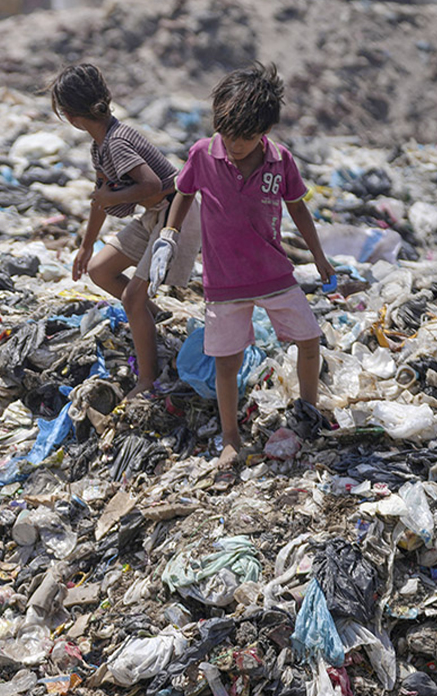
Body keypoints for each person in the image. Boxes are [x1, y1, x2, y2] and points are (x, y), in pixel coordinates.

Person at [163, 62, 337, 476]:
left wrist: (319, 255)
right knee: (227, 360)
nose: (234, 144)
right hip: (224, 281)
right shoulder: (203, 154)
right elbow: (183, 194)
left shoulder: (280, 161)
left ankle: (307, 411)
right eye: (227, 134)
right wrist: (169, 235)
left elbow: (299, 209)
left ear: (265, 130)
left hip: (273, 272)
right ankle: (229, 439)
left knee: (309, 339)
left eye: (243, 137)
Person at [50, 63, 203, 398]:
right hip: (155, 214)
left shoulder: (117, 142)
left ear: (70, 116)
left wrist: (111, 196)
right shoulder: (100, 145)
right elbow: (99, 199)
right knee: (99, 269)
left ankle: (148, 381)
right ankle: (153, 317)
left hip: (178, 215)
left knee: (132, 296)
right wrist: (86, 247)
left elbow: (149, 184)